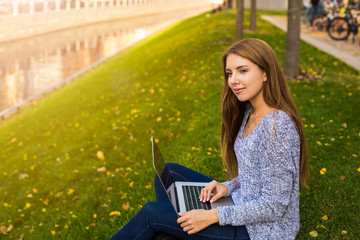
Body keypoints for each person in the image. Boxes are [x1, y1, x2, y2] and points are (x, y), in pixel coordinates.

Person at [110, 38, 309, 240]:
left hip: (259, 232)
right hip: (241, 204)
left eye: (243, 71)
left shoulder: (277, 127)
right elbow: (257, 173)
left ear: (266, 73)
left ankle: (169, 229)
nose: (233, 80)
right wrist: (227, 186)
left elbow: (273, 205)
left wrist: (212, 216)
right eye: (229, 73)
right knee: (169, 172)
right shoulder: (251, 111)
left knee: (151, 214)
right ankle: (173, 230)